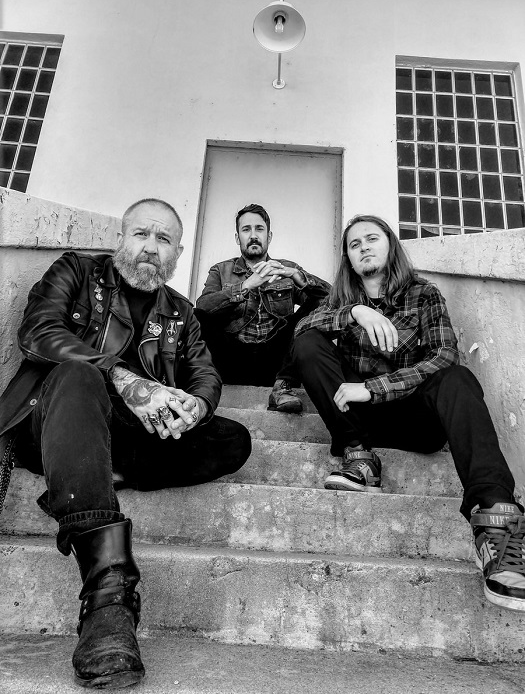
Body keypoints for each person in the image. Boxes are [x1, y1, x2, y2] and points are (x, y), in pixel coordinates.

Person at [0, 198, 251, 688]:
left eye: (164, 240)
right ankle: (108, 597)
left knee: (233, 439)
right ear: (121, 238)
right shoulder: (77, 270)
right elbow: (38, 331)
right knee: (79, 374)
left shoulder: (181, 312)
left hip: (128, 434)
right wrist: (125, 378)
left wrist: (195, 406)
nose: (150, 248)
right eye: (142, 234)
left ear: (178, 254)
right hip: (54, 416)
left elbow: (205, 374)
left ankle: (100, 471)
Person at [292, 214, 525, 612]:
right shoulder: (340, 300)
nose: (364, 247)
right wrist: (355, 312)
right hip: (358, 422)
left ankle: (496, 523)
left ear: (390, 244)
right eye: (354, 244)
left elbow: (444, 355)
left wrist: (374, 388)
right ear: (348, 258)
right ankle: (358, 457)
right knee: (309, 343)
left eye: (372, 238)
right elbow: (301, 332)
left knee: (457, 377)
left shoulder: (424, 293)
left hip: (415, 420)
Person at [194, 203, 330, 414]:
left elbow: (329, 300)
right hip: (232, 360)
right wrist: (247, 285)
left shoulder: (285, 268)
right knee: (198, 315)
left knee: (315, 308)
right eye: (246, 229)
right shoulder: (221, 270)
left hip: (276, 363)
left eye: (259, 229)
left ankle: (282, 388)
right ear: (238, 237)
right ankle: (201, 386)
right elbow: (203, 306)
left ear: (269, 236)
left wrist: (297, 276)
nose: (253, 235)